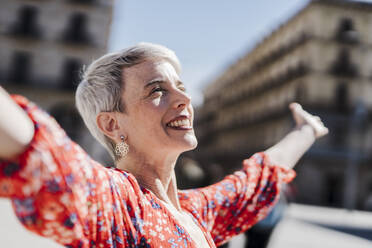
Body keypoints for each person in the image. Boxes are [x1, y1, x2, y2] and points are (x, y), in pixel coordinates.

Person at [0, 43, 328, 248]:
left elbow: (255, 182)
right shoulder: (117, 203)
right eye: (157, 90)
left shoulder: (196, 212)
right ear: (113, 125)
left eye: (181, 86)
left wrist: (306, 132)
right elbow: (41, 153)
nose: (185, 99)